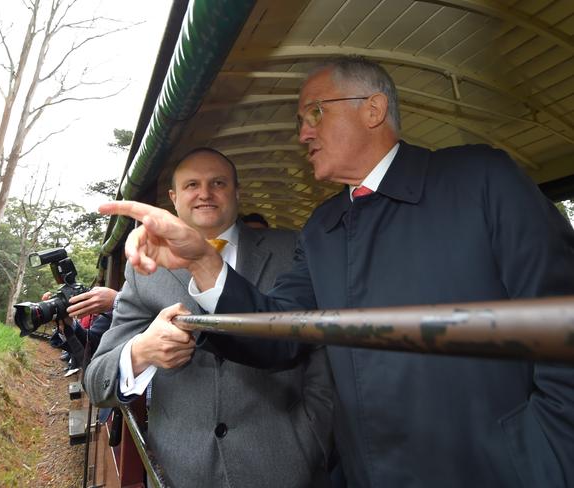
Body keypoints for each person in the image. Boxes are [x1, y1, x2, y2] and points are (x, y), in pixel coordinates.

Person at [99, 56, 574, 488]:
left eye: (315, 113)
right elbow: (278, 335)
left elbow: (563, 317)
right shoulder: (323, 227)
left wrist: (545, 460)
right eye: (301, 120)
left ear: (373, 109)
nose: (303, 133)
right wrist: (203, 261)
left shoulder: (480, 180)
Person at [85, 148, 335, 488]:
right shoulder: (145, 270)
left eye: (218, 182)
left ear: (236, 191)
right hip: (182, 471)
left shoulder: (290, 249)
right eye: (191, 185)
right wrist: (140, 353)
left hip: (287, 465)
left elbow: (320, 348)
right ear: (173, 198)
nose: (204, 193)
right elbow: (97, 380)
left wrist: (314, 437)